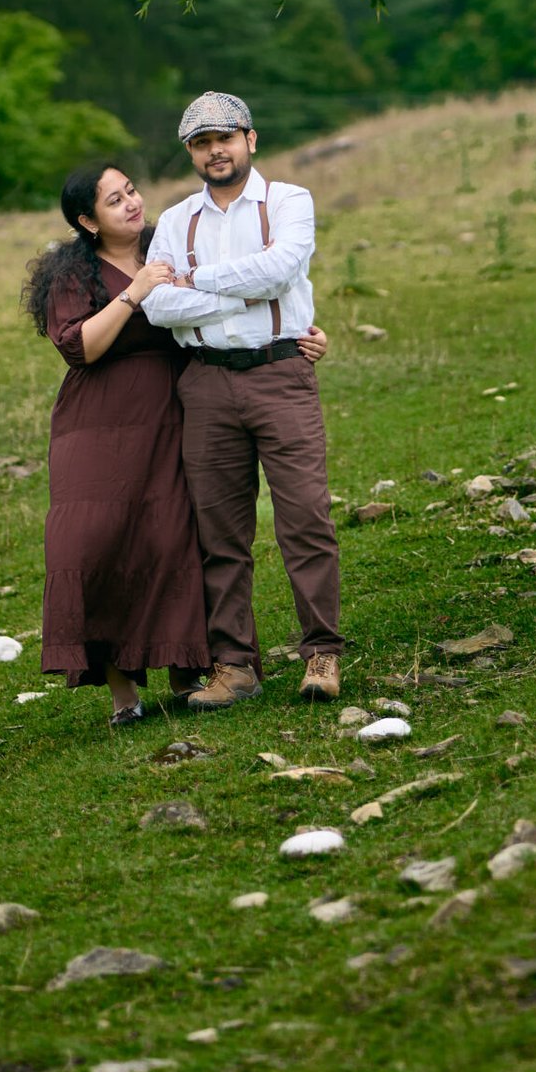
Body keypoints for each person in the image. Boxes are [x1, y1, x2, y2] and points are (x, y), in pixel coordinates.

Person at [142, 91, 344, 706]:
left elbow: (280, 270)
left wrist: (197, 280)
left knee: (305, 517)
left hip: (280, 371)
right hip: (205, 382)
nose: (215, 151)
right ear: (190, 153)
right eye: (202, 143)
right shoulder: (175, 220)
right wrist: (246, 292)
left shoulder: (288, 201)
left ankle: (322, 654)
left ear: (250, 139)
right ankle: (235, 667)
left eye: (225, 138)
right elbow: (158, 305)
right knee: (219, 532)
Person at [23, 161, 208, 724]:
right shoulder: (73, 275)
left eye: (131, 190)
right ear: (88, 221)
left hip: (169, 412)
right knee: (90, 545)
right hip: (96, 422)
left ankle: (185, 669)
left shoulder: (169, 245)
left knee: (170, 536)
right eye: (114, 200)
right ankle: (121, 690)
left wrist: (296, 331)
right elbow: (79, 347)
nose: (132, 203)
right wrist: (135, 292)